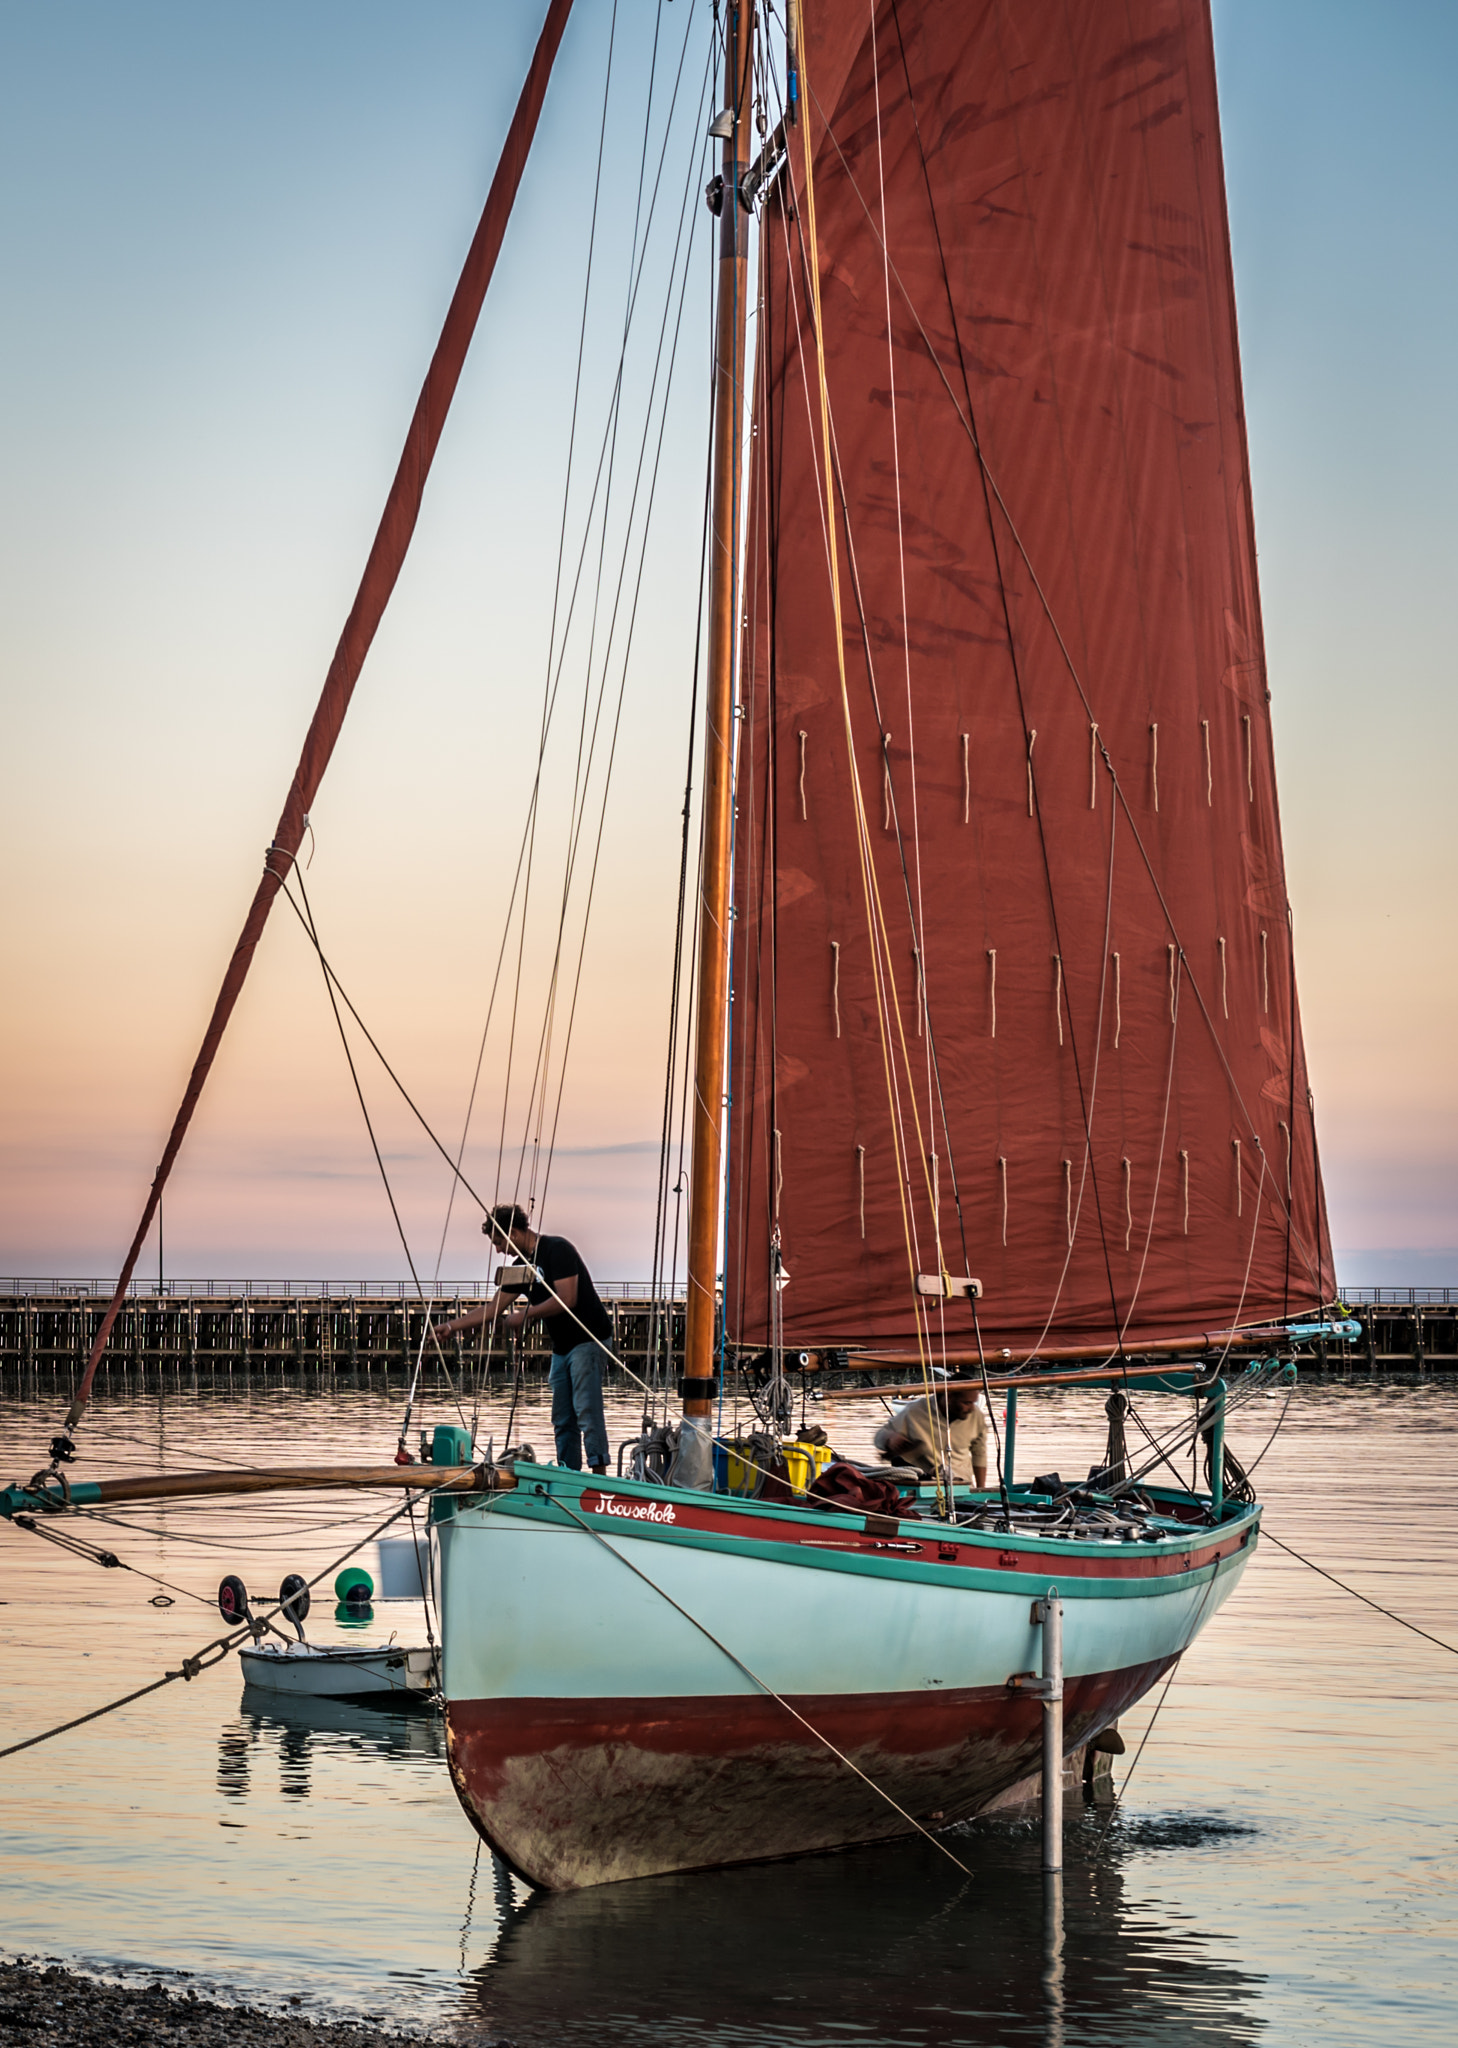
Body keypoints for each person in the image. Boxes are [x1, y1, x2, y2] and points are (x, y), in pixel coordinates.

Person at [482, 1203, 613, 1475]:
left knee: (586, 1411)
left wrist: (526, 1314)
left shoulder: (558, 1249)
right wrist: (450, 1325)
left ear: (514, 1234)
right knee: (563, 1418)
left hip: (589, 1339)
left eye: (498, 1242)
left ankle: (599, 1478)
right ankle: (570, 1476)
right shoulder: (520, 1269)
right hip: (562, 1347)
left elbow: (567, 1299)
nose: (498, 1250)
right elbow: (492, 1308)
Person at [873, 1385, 989, 1489]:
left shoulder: (976, 1415)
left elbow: (979, 1454)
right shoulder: (916, 1410)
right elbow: (880, 1436)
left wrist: (981, 1490)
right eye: (966, 1403)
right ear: (949, 1398)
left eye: (973, 1403)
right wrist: (891, 1438)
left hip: (963, 1487)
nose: (971, 1408)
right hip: (925, 1487)